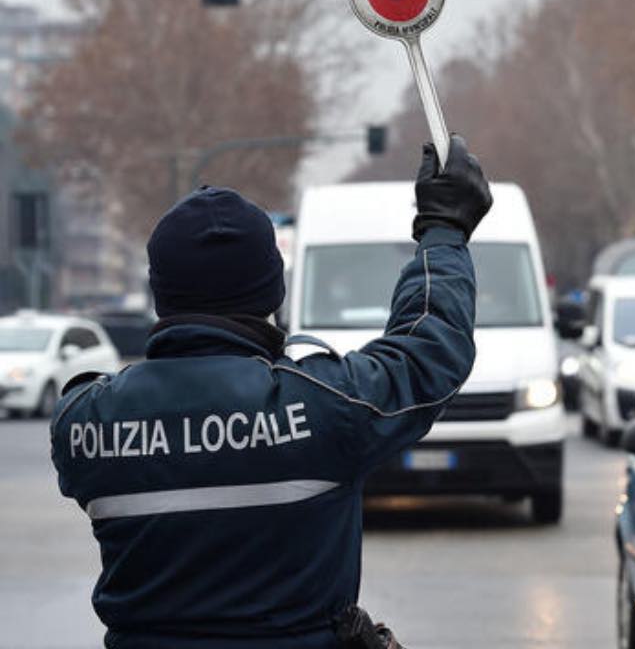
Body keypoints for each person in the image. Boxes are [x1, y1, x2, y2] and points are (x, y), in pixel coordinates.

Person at [50, 136, 492, 649]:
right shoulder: (328, 406)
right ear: (273, 292)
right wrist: (444, 230)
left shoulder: (84, 422)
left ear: (160, 293)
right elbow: (426, 351)